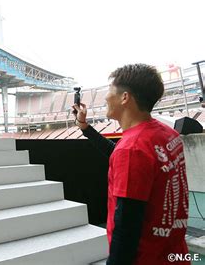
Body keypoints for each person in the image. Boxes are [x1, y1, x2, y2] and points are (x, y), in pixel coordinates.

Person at [73, 64, 189, 264]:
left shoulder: (132, 149)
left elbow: (126, 229)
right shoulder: (167, 133)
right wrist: (85, 128)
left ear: (125, 98)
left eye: (109, 91)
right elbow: (121, 155)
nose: (106, 97)